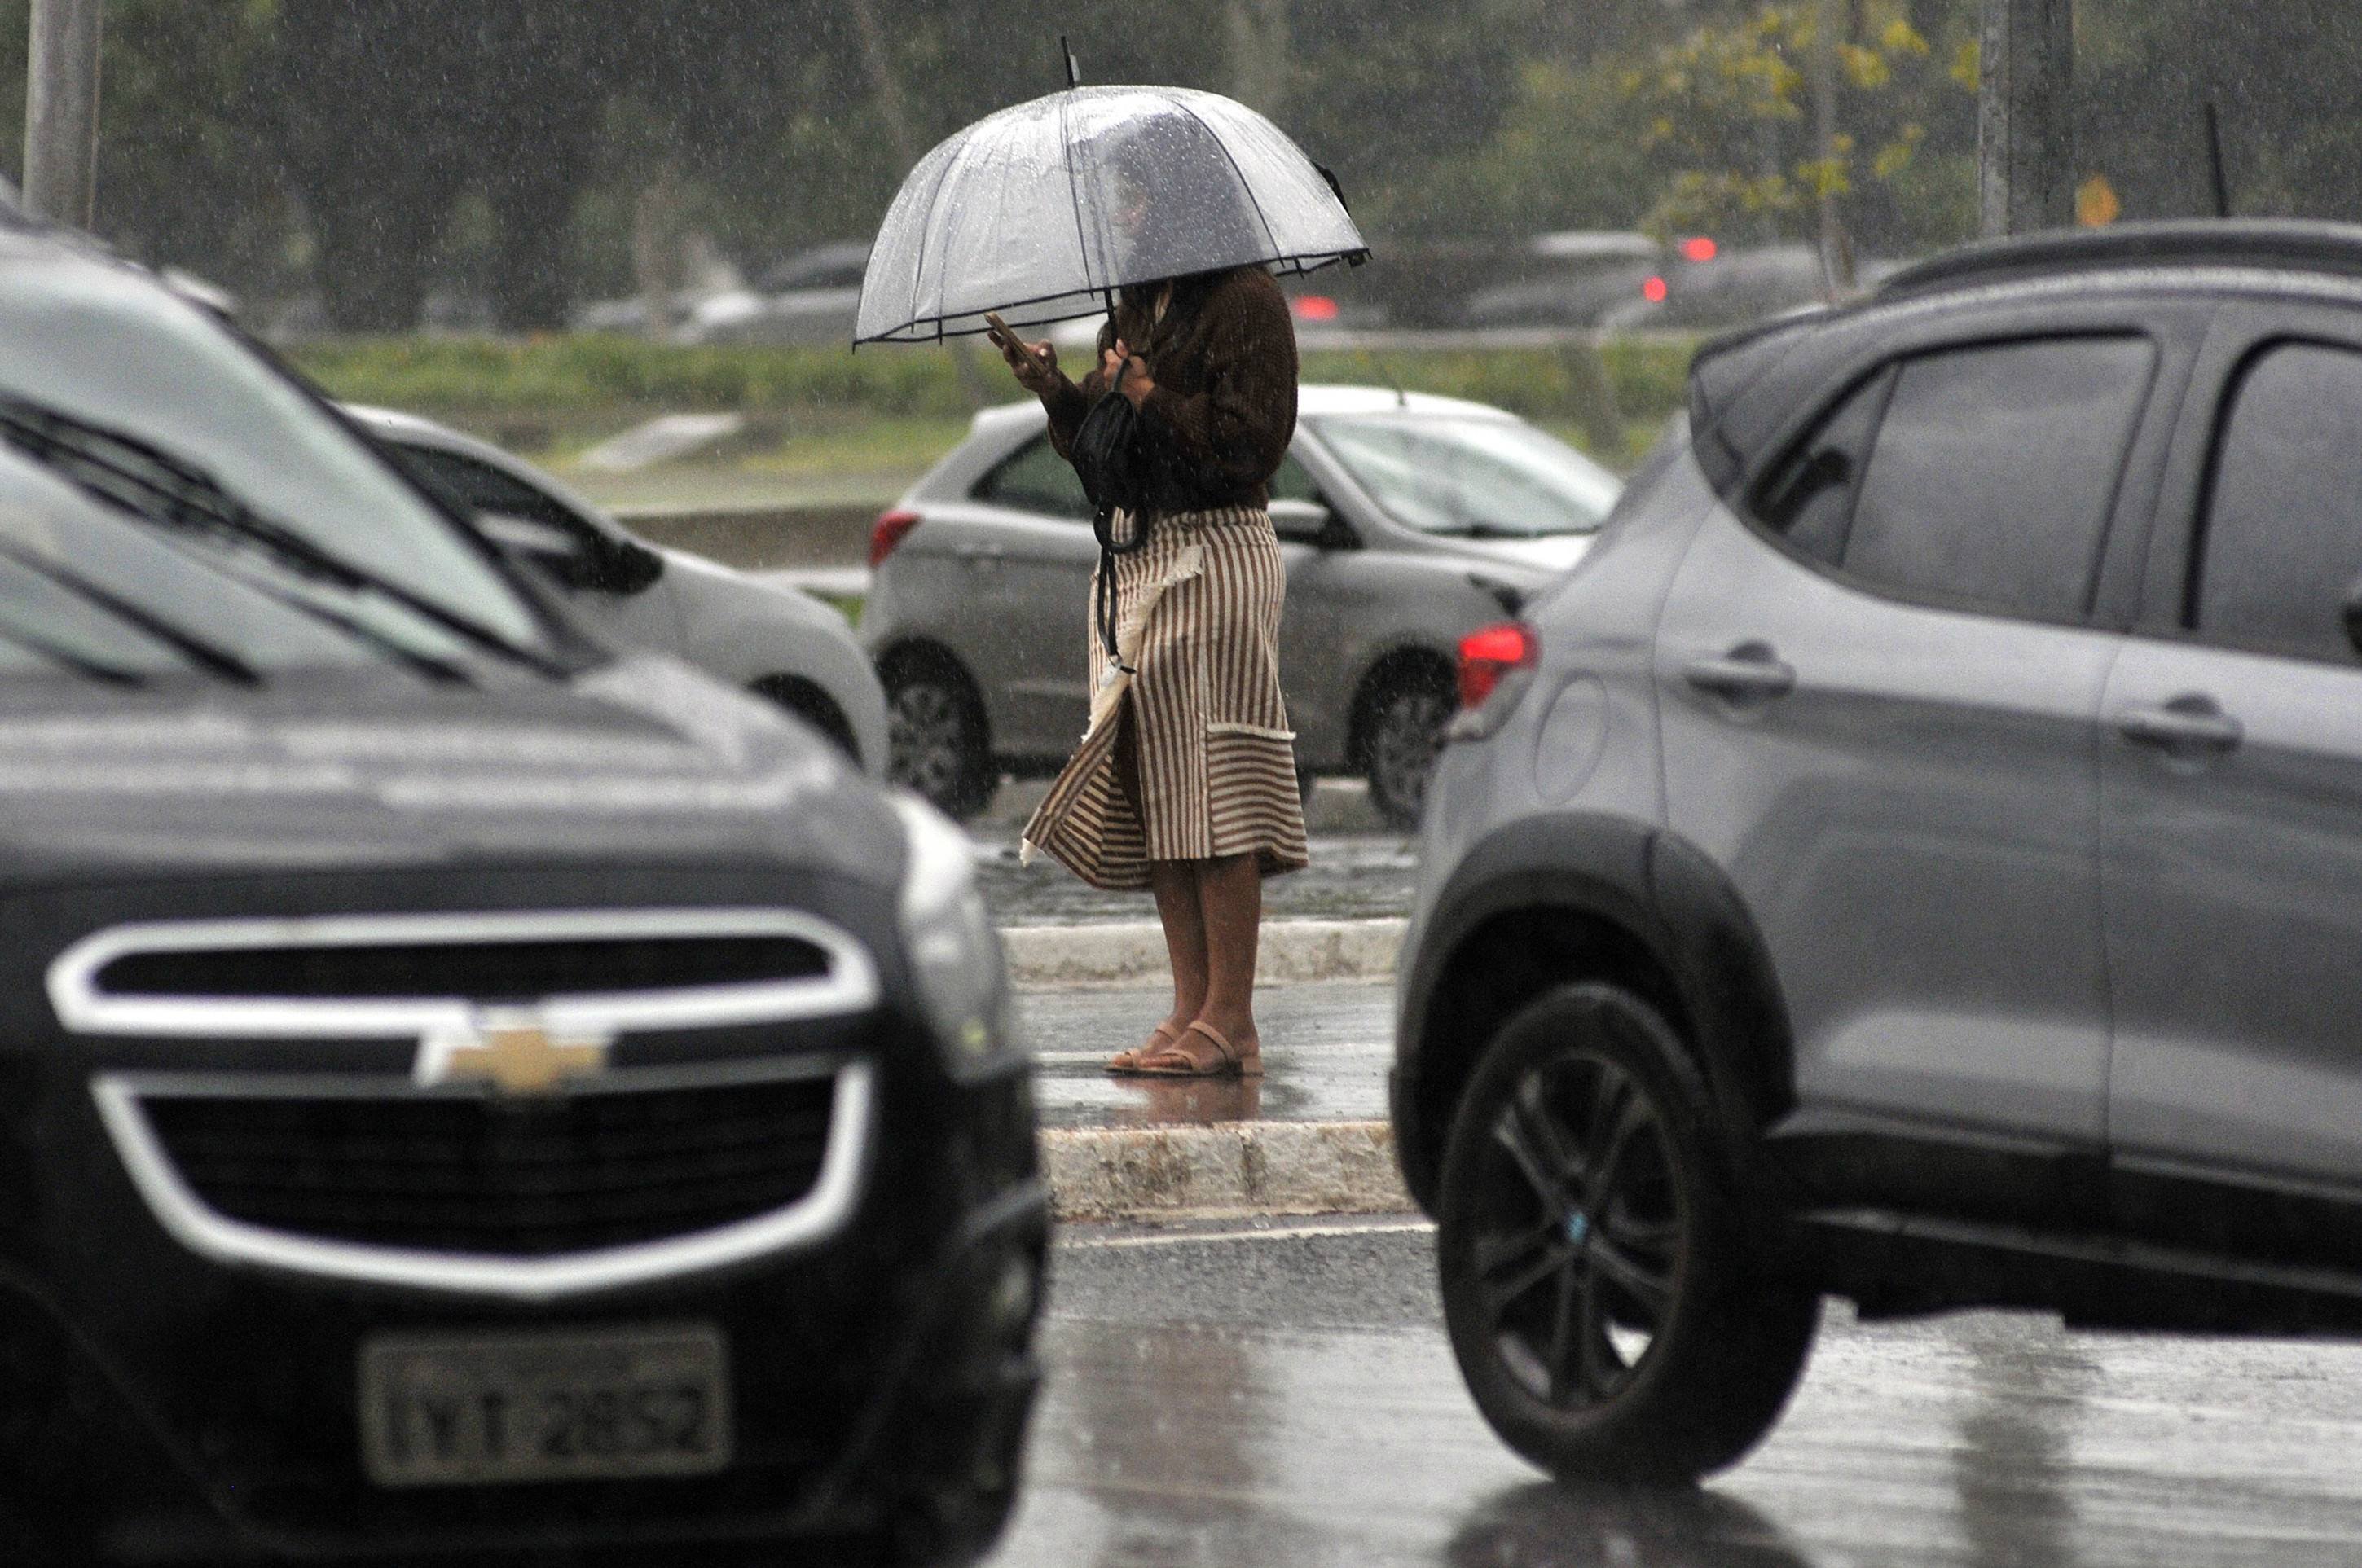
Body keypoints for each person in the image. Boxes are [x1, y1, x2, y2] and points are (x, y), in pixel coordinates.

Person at [987, 265, 1306, 1078]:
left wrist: (1145, 391)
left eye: (1138, 199)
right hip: (1139, 554)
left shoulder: (1245, 302)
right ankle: (1191, 1005)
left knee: (1214, 781)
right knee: (1158, 781)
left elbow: (1250, 441)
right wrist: (1058, 391)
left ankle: (1231, 1018)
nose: (1127, 217)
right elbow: (1110, 452)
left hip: (1218, 547)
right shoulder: (1131, 306)